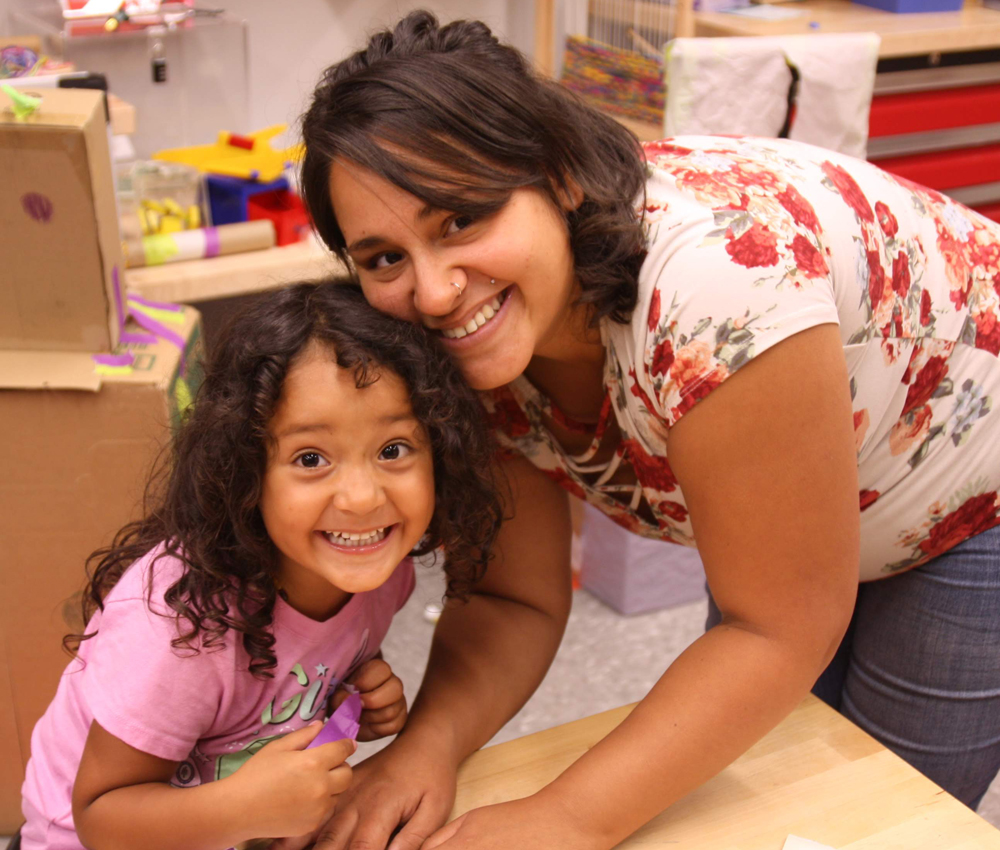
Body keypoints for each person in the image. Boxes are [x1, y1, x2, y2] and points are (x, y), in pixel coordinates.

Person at [295, 11, 1000, 850]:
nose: (437, 290)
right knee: (756, 779)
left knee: (874, 816)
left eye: (462, 220)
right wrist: (429, 746)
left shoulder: (717, 289)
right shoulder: (449, 342)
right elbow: (513, 594)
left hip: (969, 475)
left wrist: (565, 818)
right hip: (836, 487)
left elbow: (777, 627)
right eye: (384, 257)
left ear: (557, 176)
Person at [18, 282, 503, 850]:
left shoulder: (377, 571)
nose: (362, 498)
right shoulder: (179, 632)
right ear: (245, 474)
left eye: (393, 449)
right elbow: (100, 818)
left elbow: (290, 671)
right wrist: (240, 810)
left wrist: (351, 696)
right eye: (311, 458)